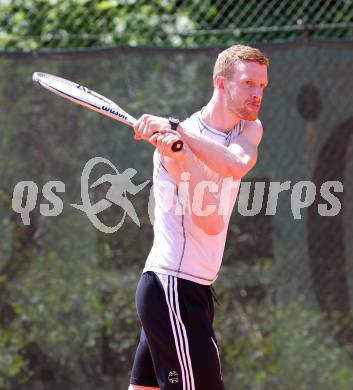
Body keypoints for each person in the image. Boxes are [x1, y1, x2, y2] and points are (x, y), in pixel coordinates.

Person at [129, 44, 269, 390]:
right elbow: (208, 220)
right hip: (173, 287)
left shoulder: (247, 130)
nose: (257, 94)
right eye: (249, 83)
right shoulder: (175, 147)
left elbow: (234, 164)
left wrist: (178, 131)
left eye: (262, 86)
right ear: (221, 84)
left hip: (193, 289)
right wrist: (179, 153)